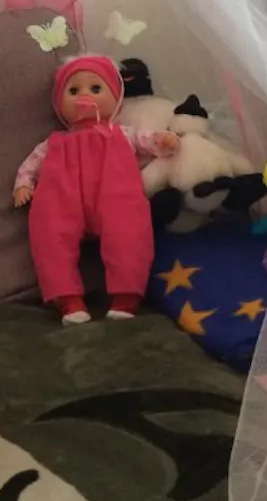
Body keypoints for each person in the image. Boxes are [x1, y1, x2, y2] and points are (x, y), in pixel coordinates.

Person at [14, 55, 178, 326]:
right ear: (58, 103)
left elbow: (149, 141)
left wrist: (164, 140)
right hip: (62, 197)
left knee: (129, 232)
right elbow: (30, 164)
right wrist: (23, 184)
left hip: (114, 195)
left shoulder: (122, 133)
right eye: (73, 90)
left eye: (96, 88)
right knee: (48, 233)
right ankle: (67, 299)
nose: (84, 96)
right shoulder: (54, 143)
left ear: (116, 98)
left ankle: (126, 296)